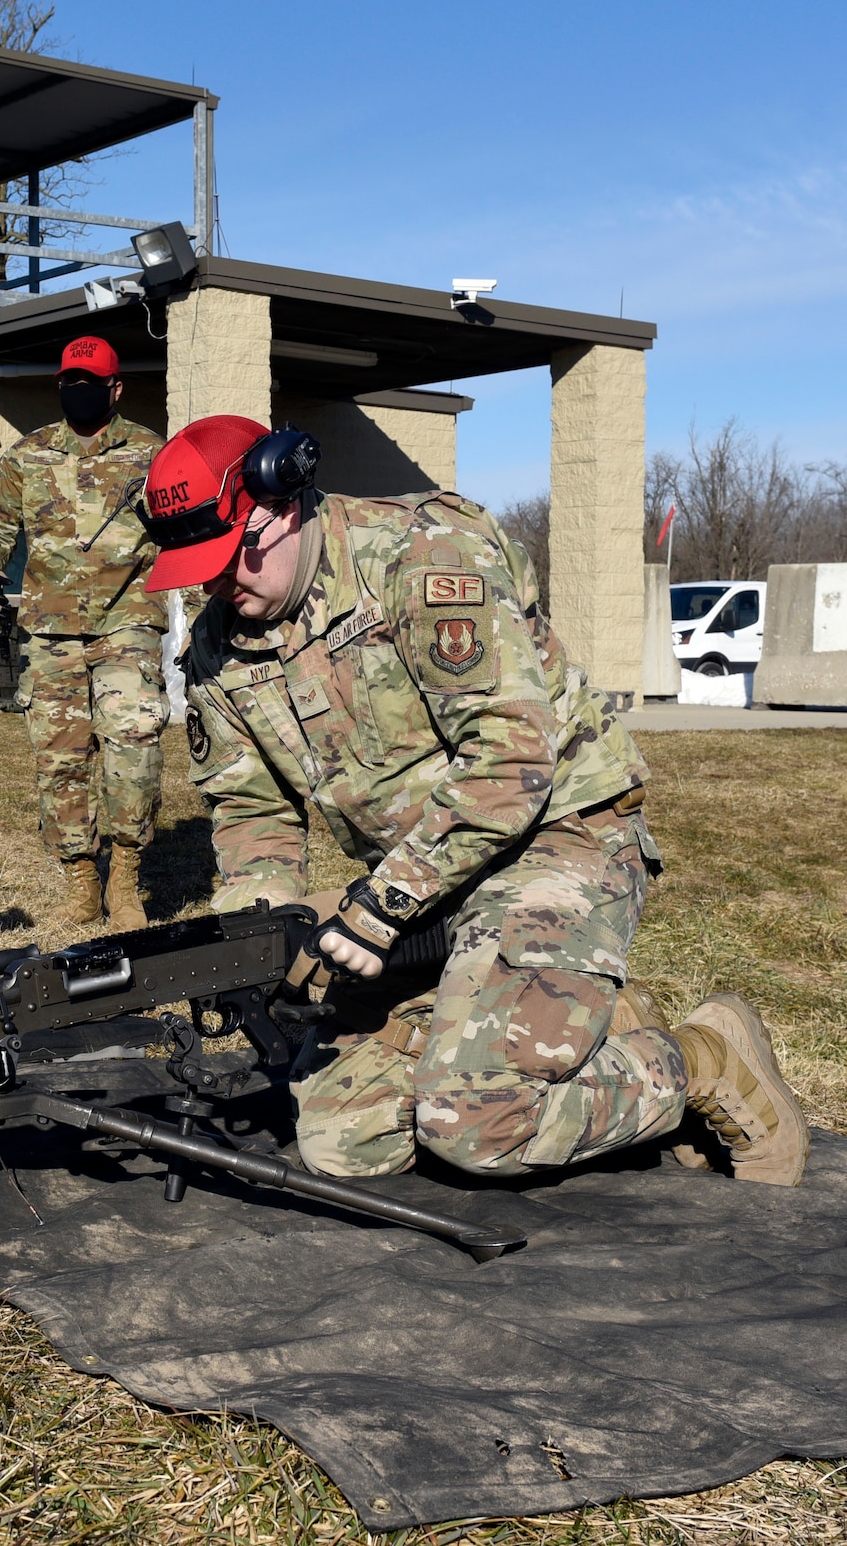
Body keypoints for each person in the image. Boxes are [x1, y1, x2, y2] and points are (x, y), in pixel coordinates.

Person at [145, 415, 810, 1186]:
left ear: (282, 500)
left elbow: (510, 758)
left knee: (475, 1127)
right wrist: (255, 935)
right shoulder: (219, 648)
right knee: (341, 1138)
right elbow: (250, 813)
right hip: (424, 887)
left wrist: (380, 908)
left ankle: (702, 1058)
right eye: (197, 569)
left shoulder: (422, 558)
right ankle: (550, 1026)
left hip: (559, 839)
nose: (218, 584)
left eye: (231, 558)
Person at [0, 336, 167, 929]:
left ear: (116, 388)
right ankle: (81, 879)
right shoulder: (25, 455)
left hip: (129, 620)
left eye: (91, 382)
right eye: (70, 383)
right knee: (61, 761)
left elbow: (183, 530)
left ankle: (126, 878)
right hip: (50, 630)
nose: (80, 392)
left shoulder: (152, 454)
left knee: (133, 749)